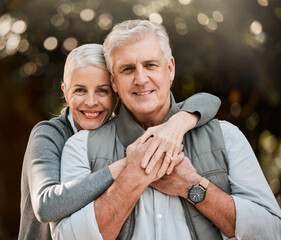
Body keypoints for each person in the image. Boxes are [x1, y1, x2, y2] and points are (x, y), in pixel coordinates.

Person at [52, 20, 281, 240]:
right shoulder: (80, 147)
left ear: (170, 69)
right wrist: (134, 176)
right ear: (113, 82)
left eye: (150, 65)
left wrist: (192, 186)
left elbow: (272, 231)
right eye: (127, 69)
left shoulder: (226, 137)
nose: (141, 79)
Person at [19, 43, 222, 240]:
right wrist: (129, 163)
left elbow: (209, 100)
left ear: (116, 91)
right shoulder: (48, 133)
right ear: (65, 90)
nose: (91, 102)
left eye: (102, 91)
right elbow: (46, 206)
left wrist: (180, 122)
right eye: (80, 90)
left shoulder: (120, 129)